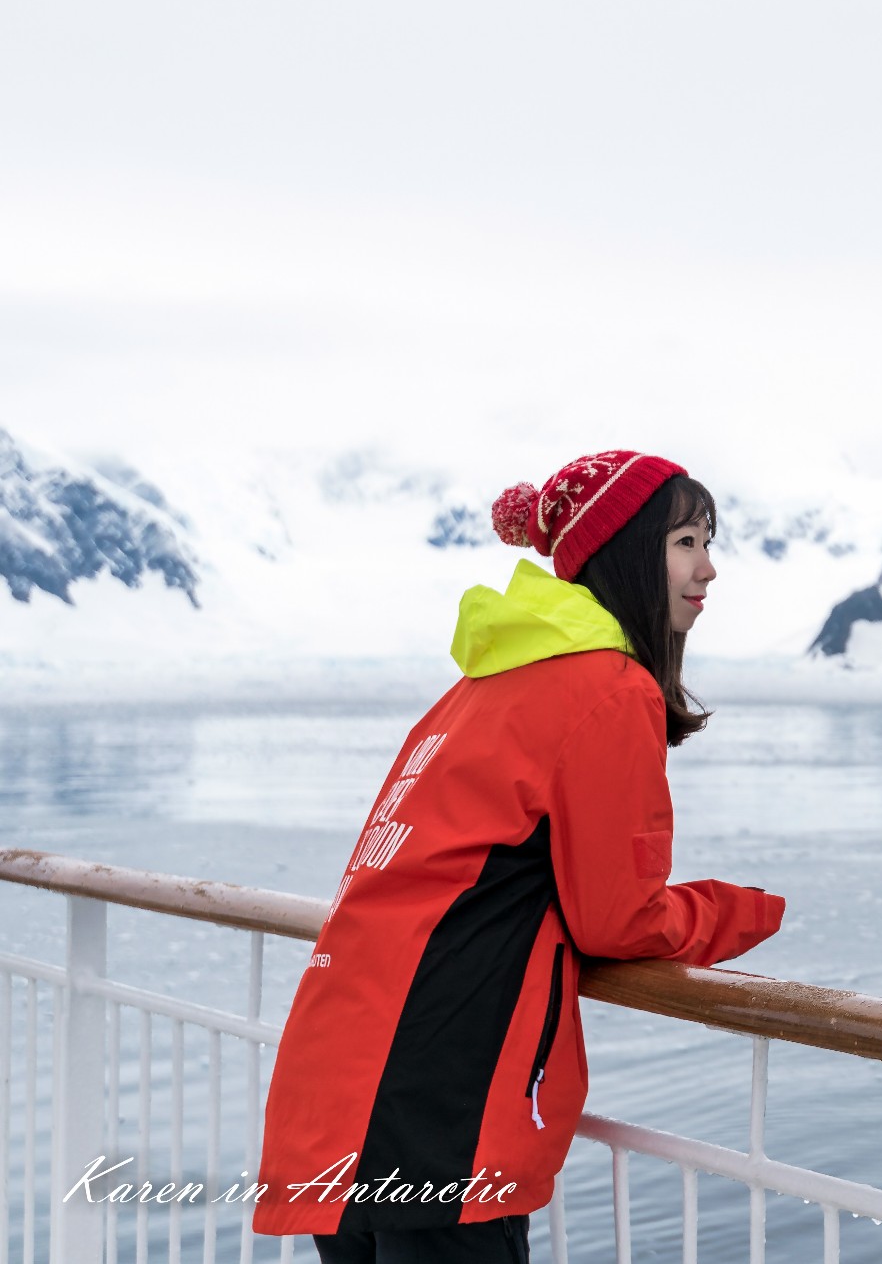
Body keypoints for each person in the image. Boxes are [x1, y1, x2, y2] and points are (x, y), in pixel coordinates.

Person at [253, 450, 786, 1263]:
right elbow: (619, 918)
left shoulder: (484, 683)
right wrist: (740, 910)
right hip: (440, 1099)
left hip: (337, 1083)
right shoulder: (608, 688)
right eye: (686, 541)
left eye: (709, 542)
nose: (709, 568)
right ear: (628, 551)